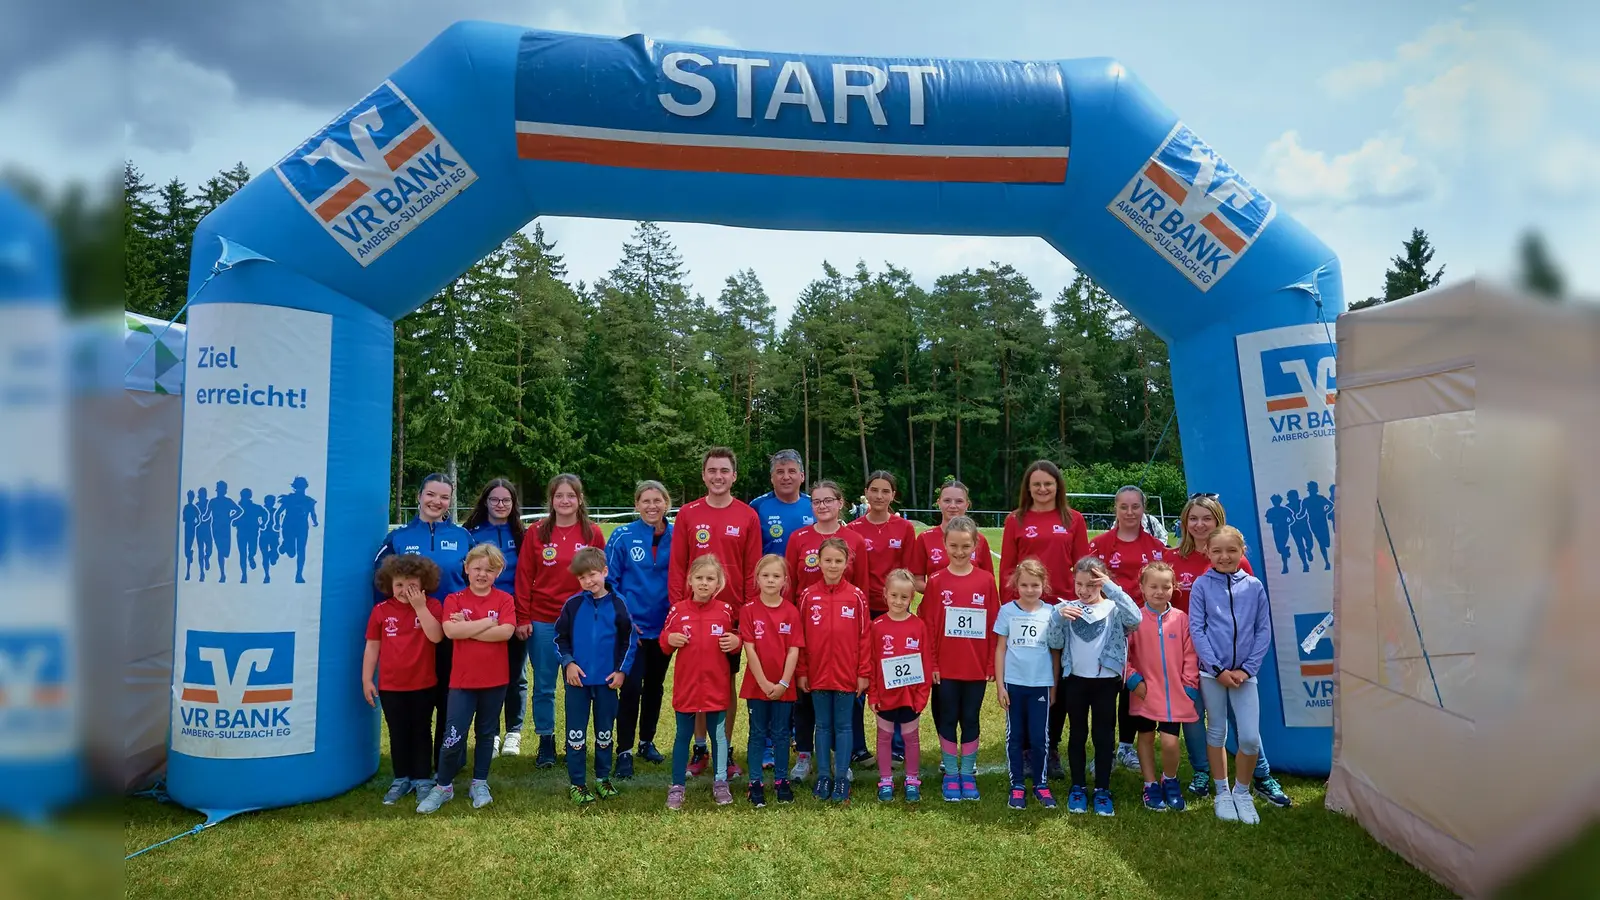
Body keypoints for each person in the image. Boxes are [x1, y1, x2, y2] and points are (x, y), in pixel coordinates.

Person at [1169, 495, 1289, 808]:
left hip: (1230, 658)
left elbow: (1253, 616)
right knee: (1195, 717)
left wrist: (1242, 665)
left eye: (1206, 518)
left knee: (1241, 719)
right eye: (1193, 518)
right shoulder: (1173, 558)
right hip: (1189, 654)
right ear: (1185, 522)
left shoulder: (1238, 562)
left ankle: (1260, 775)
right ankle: (1202, 773)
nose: (1199, 524)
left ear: (1218, 521)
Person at [668, 447, 761, 780]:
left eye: (725, 470)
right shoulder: (689, 514)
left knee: (724, 685)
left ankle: (725, 747)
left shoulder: (748, 515)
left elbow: (753, 569)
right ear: (704, 475)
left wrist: (747, 617)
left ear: (734, 476)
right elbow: (678, 566)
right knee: (696, 684)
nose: (718, 476)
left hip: (730, 618)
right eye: (712, 470)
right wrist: (680, 611)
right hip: (693, 617)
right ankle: (699, 747)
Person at [1001, 459, 1091, 780]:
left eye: (1048, 484)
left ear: (1058, 486)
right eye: (1036, 484)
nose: (1042, 489)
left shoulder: (1073, 519)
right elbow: (1008, 569)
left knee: (1058, 682)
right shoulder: (1016, 519)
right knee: (1026, 678)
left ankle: (1050, 746)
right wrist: (1009, 611)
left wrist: (1084, 606)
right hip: (1025, 611)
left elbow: (1083, 567)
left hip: (1062, 611)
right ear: (1028, 487)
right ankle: (1025, 747)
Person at [375, 473, 472, 766]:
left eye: (444, 497)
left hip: (451, 631)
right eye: (431, 494)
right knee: (415, 701)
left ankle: (448, 761)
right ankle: (412, 766)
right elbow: (380, 586)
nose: (437, 502)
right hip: (411, 634)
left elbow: (478, 581)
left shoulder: (463, 537)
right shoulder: (398, 538)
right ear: (418, 496)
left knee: (450, 699)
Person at [513, 473, 604, 769]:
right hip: (542, 620)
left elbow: (603, 578)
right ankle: (546, 741)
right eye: (559, 495)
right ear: (551, 500)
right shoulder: (537, 532)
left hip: (582, 622)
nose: (565, 500)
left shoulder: (592, 533)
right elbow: (524, 576)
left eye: (571, 495)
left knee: (577, 683)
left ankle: (574, 741)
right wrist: (523, 617)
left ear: (580, 499)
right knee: (544, 685)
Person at [416, 544, 516, 813]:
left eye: (489, 570)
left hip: (495, 680)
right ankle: (444, 787)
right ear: (467, 569)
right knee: (453, 735)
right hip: (462, 681)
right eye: (477, 568)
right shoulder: (455, 599)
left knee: (486, 734)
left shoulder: (505, 599)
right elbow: (449, 630)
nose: (482, 574)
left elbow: (506, 633)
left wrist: (467, 628)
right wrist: (487, 623)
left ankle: (479, 782)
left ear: (498, 573)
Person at [783, 479, 867, 780]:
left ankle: (842, 757)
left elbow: (863, 588)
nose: (822, 506)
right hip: (808, 634)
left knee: (846, 701)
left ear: (840, 502)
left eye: (828, 500)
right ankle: (805, 755)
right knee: (804, 699)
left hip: (843, 633)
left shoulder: (854, 539)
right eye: (816, 501)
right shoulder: (798, 538)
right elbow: (790, 586)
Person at [1189, 526, 1271, 826]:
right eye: (1217, 551)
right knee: (1217, 732)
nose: (1224, 557)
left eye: (1231, 551)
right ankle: (1222, 792)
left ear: (1242, 552)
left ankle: (1243, 791)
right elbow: (1197, 629)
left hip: (1245, 675)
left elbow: (1263, 630)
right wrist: (1217, 670)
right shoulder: (1201, 586)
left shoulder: (1254, 586)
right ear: (1207, 553)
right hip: (1213, 675)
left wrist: (1247, 669)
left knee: (1249, 738)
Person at [1087, 486, 1171, 775]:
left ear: (1143, 509)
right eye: (1124, 507)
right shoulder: (1099, 544)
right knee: (1107, 687)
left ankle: (1126, 745)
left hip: (1144, 627)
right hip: (1108, 627)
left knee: (1133, 687)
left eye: (1135, 506)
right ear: (1115, 509)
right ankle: (1105, 749)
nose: (1130, 512)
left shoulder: (1156, 547)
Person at [1054, 556, 1142, 817]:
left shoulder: (1114, 608)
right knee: (1078, 734)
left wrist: (1112, 587)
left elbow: (1136, 618)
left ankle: (1102, 789)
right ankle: (1078, 787)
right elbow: (1054, 641)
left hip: (1106, 683)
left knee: (1103, 736)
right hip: (1075, 682)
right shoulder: (1067, 607)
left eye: (1091, 585)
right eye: (1079, 584)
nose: (1084, 590)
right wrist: (1058, 619)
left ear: (1102, 583)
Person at [923, 516, 998, 803]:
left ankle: (967, 772)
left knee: (970, 718)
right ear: (944, 545)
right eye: (953, 545)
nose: (959, 551)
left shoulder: (986, 580)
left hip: (975, 668)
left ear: (976, 546)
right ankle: (951, 772)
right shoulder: (937, 581)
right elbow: (929, 624)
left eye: (965, 546)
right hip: (946, 668)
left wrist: (991, 663)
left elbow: (994, 623)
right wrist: (934, 664)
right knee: (947, 717)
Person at [553, 547, 636, 805]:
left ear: (605, 572)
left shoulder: (619, 604)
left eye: (592, 575)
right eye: (582, 578)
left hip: (607, 683)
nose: (588, 581)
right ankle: (577, 782)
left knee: (604, 733)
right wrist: (568, 663)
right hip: (577, 682)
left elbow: (629, 640)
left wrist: (621, 671)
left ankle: (602, 778)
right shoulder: (573, 605)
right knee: (575, 734)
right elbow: (559, 639)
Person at [847, 470, 917, 765]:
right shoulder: (852, 529)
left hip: (896, 612)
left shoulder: (904, 529)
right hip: (862, 613)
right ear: (866, 492)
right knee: (860, 678)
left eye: (885, 491)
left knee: (895, 676)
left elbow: (909, 573)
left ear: (893, 495)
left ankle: (898, 745)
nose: (879, 496)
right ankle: (857, 747)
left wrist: (899, 606)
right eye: (874, 490)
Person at [362, 554, 445, 805]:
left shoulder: (432, 607)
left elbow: (436, 637)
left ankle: (422, 778)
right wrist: (367, 679)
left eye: (411, 585)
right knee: (397, 732)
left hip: (423, 683)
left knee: (421, 731)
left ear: (423, 584)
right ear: (389, 584)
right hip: (391, 685)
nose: (404, 590)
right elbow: (372, 647)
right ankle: (401, 778)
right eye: (399, 584)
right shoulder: (381, 611)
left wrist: (419, 607)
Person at [661, 555, 741, 810]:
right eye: (699, 578)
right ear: (690, 581)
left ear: (719, 583)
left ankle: (720, 782)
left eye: (710, 579)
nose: (704, 583)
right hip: (687, 687)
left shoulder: (725, 611)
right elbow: (664, 641)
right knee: (682, 736)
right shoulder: (678, 610)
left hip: (716, 688)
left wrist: (736, 642)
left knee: (718, 737)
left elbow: (736, 639)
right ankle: (676, 786)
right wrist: (669, 639)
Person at [795, 538, 871, 804]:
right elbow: (800, 638)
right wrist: (802, 671)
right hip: (816, 675)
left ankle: (841, 777)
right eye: (827, 560)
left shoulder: (857, 597)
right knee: (823, 725)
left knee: (844, 726)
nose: (833, 565)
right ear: (818, 561)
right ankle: (824, 775)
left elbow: (864, 637)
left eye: (838, 561)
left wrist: (863, 672)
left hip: (846, 675)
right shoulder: (807, 595)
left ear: (847, 563)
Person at [606, 481, 674, 778]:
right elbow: (610, 582)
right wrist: (624, 619)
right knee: (631, 687)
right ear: (636, 505)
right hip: (631, 630)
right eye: (645, 501)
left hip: (664, 629)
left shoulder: (678, 535)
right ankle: (624, 750)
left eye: (657, 500)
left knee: (655, 687)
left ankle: (647, 741)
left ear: (666, 503)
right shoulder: (622, 536)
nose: (651, 506)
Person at [1123, 561, 1197, 813]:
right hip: (1144, 693)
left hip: (1174, 695)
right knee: (1144, 737)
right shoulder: (1134, 620)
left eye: (1165, 587)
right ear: (1142, 588)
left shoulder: (1181, 619)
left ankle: (1170, 779)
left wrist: (1188, 686)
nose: (1159, 591)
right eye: (1153, 586)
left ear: (1173, 588)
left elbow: (1190, 655)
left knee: (1169, 742)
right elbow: (1124, 656)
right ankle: (1150, 784)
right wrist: (1134, 681)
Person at [464, 478, 525, 758]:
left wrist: (523, 616)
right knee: (485, 676)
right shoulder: (471, 533)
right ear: (485, 501)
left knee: (515, 676)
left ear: (513, 504)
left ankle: (514, 732)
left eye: (506, 500)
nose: (500, 505)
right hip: (479, 617)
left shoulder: (522, 534)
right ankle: (491, 733)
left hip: (513, 615)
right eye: (495, 500)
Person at [994, 559, 1062, 811]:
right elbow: (1000, 649)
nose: (1030, 590)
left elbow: (1055, 652)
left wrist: (1053, 686)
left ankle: (1041, 783)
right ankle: (1017, 785)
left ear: (1043, 585)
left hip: (1040, 685)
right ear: (1016, 585)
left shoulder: (1051, 612)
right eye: (1024, 585)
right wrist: (1000, 685)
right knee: (1015, 736)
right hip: (1014, 684)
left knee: (1039, 736)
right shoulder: (1007, 611)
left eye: (1035, 584)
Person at [740, 554, 803, 807]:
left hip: (783, 687)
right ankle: (755, 782)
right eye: (765, 575)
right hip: (758, 686)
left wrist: (783, 683)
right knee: (757, 734)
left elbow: (794, 650)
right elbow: (750, 649)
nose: (770, 580)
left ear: (785, 581)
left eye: (776, 576)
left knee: (781, 734)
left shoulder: (791, 611)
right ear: (757, 579)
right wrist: (765, 683)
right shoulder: (748, 610)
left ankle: (780, 780)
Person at [867, 569, 931, 804]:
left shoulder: (919, 626)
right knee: (884, 737)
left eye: (904, 597)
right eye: (894, 596)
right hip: (885, 695)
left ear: (912, 597)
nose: (898, 601)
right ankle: (885, 779)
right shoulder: (877, 625)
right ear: (885, 595)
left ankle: (912, 779)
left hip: (910, 696)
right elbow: (871, 662)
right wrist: (872, 693)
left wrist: (921, 696)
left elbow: (925, 663)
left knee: (910, 738)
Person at [910, 480, 993, 594]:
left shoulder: (980, 540)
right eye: (947, 500)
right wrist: (942, 592)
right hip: (937, 606)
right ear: (939, 503)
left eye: (959, 501)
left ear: (967, 504)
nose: (953, 506)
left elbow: (988, 581)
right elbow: (916, 581)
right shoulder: (924, 538)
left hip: (969, 609)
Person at [749, 449, 814, 557]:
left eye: (792, 471)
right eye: (780, 472)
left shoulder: (814, 505)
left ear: (802, 476)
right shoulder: (757, 506)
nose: (786, 477)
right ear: (772, 478)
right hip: (771, 573)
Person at [209, 480, 240, 584]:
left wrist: (231, 518)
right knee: (220, 551)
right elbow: (207, 515)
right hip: (216, 528)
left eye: (223, 489)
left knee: (226, 552)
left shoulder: (228, 501)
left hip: (225, 527)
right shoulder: (212, 502)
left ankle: (223, 571)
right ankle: (222, 574)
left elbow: (239, 510)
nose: (221, 491)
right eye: (220, 489)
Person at [1303, 481, 1333, 570]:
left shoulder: (1321, 498)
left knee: (1327, 543)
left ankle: (1310, 551)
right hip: (1313, 523)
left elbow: (1331, 505)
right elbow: (1302, 512)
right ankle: (1327, 562)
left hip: (1322, 521)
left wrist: (1325, 512)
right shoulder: (1306, 501)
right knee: (1322, 543)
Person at [182, 490, 199, 581]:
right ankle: (190, 554)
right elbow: (184, 518)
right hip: (187, 528)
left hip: (191, 528)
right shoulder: (186, 507)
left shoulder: (194, 508)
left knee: (188, 547)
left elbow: (198, 519)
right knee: (186, 550)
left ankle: (188, 572)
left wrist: (195, 524)